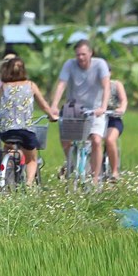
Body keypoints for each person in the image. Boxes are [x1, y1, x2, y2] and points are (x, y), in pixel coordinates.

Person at [0, 57, 57, 185]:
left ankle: (5, 170)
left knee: (8, 146)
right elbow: (44, 106)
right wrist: (52, 116)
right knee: (32, 159)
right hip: (25, 131)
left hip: (5, 132)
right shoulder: (30, 85)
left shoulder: (3, 87)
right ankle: (29, 184)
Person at [50, 39, 111, 184]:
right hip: (74, 108)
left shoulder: (100, 64)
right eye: (78, 55)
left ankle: (95, 178)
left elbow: (106, 86)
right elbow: (61, 85)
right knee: (66, 139)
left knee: (96, 140)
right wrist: (54, 105)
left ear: (90, 53)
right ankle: (71, 163)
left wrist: (103, 107)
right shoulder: (69, 65)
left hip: (94, 110)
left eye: (83, 54)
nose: (81, 58)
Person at [104, 73, 128, 181]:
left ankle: (114, 172)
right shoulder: (93, 86)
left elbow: (123, 100)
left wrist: (121, 109)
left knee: (110, 140)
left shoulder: (116, 85)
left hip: (113, 119)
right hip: (97, 119)